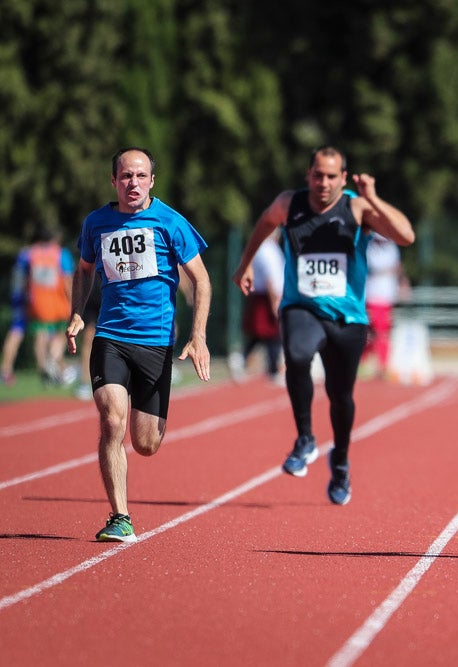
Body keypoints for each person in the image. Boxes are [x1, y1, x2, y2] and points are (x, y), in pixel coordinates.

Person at [232, 145, 415, 505]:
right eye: (318, 175)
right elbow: (265, 224)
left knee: (341, 397)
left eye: (332, 176)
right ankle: (305, 438)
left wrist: (374, 197)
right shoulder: (290, 204)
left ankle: (341, 461)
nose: (323, 182)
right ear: (308, 175)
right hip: (302, 307)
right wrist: (246, 264)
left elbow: (406, 236)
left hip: (348, 318)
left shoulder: (358, 207)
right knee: (297, 356)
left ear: (343, 178)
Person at [66, 147, 212, 543]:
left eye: (141, 176)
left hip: (156, 343)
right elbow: (84, 269)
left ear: (152, 181)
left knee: (146, 443)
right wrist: (77, 311)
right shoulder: (96, 223)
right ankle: (121, 516)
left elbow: (201, 280)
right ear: (114, 180)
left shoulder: (170, 222)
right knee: (112, 419)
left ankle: (152, 424)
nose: (133, 183)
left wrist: (198, 336)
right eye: (126, 176)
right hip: (111, 337)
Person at [1, 226, 75, 385]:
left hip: (36, 304)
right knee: (63, 334)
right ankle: (53, 359)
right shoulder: (61, 254)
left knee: (39, 335)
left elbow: (19, 277)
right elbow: (68, 281)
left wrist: (19, 298)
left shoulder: (28, 254)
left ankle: (43, 371)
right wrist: (74, 301)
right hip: (59, 303)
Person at [236, 228, 284, 383]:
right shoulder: (266, 250)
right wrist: (274, 302)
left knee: (260, 335)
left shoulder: (269, 248)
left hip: (268, 296)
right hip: (267, 296)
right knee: (272, 335)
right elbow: (271, 279)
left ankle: (241, 360)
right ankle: (273, 370)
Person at [363, 231, 410, 379]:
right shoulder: (369, 249)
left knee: (382, 331)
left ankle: (382, 364)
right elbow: (372, 267)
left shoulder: (391, 248)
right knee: (371, 332)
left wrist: (402, 282)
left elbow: (397, 267)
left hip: (386, 296)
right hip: (371, 295)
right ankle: (364, 361)